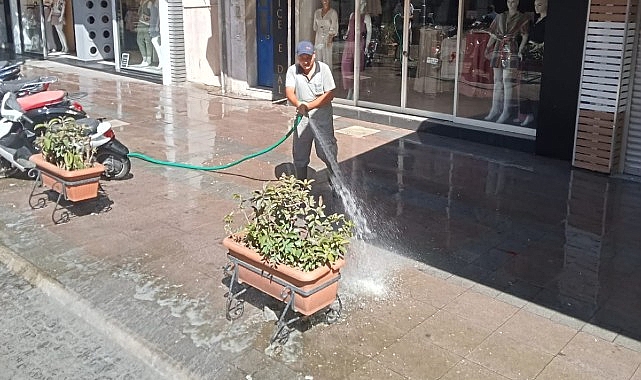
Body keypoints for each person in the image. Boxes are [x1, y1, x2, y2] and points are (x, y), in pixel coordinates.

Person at [285, 41, 338, 182]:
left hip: (322, 118)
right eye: (302, 57)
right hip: (302, 119)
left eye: (308, 57)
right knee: (300, 153)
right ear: (297, 57)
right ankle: (301, 187)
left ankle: (336, 184)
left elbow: (329, 94)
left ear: (314, 55)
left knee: (326, 152)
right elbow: (289, 91)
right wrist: (298, 104)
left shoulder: (324, 69)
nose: (305, 61)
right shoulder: (292, 70)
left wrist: (309, 106)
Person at [484, 0, 529, 124]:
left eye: (514, 1)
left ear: (518, 2)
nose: (511, 3)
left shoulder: (522, 17)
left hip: (511, 48)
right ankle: (495, 109)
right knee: (497, 81)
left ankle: (506, 110)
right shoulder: (500, 16)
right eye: (509, 1)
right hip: (498, 47)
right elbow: (493, 34)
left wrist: (520, 50)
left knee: (506, 81)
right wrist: (488, 48)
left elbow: (525, 35)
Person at [519, 0, 546, 126]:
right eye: (535, 5)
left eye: (539, 4)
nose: (536, 7)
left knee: (535, 88)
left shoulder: (548, 21)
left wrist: (539, 46)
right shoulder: (535, 20)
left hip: (538, 56)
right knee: (526, 86)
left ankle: (535, 116)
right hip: (530, 55)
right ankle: (527, 114)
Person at [341, 0, 372, 100]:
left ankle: (355, 91)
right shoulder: (352, 15)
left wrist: (366, 46)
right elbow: (349, 29)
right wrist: (346, 35)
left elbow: (369, 32)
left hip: (359, 44)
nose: (361, 4)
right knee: (347, 67)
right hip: (349, 43)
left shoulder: (366, 17)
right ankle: (350, 89)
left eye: (363, 3)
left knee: (357, 68)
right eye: (360, 2)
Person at [313, 0, 338, 69]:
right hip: (318, 37)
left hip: (328, 37)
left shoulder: (333, 12)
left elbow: (334, 27)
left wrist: (330, 38)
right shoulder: (317, 12)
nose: (325, 1)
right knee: (318, 57)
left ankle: (327, 76)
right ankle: (318, 75)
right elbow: (315, 27)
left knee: (327, 58)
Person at [137, 0, 153, 66]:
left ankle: (148, 59)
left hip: (146, 24)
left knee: (147, 41)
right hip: (140, 23)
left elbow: (153, 14)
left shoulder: (149, 3)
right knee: (139, 40)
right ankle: (144, 58)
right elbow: (139, 13)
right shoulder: (142, 2)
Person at [149, 0, 161, 68]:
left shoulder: (157, 3)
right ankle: (161, 61)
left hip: (155, 26)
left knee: (155, 42)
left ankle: (161, 61)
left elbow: (159, 15)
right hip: (153, 25)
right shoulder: (152, 3)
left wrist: (157, 25)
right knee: (154, 41)